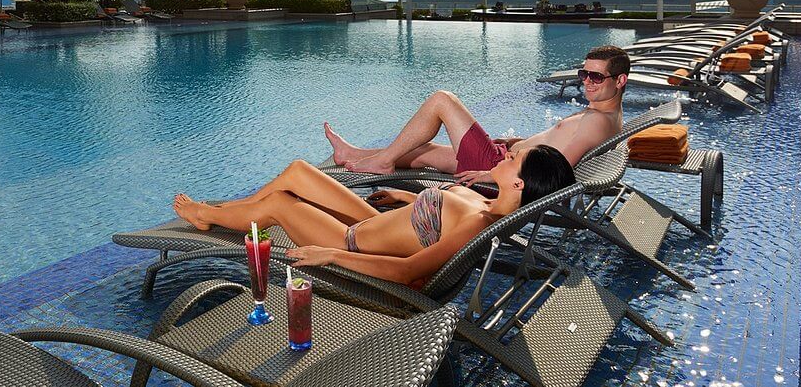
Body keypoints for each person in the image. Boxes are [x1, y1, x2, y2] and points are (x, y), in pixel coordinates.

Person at [172, 148, 574, 286]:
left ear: (519, 186)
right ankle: (229, 211)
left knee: (279, 202)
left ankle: (208, 215)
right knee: (298, 170)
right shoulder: (487, 204)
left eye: (514, 159)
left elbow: (409, 274)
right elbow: (431, 220)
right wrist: (405, 195)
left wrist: (331, 257)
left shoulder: (479, 224)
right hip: (373, 224)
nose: (506, 154)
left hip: (351, 242)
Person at [325, 45, 630, 180]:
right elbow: (554, 147)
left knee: (442, 100)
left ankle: (383, 162)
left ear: (620, 80)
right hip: (504, 158)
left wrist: (491, 174)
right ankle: (355, 153)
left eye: (596, 77)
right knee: (427, 150)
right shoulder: (606, 116)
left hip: (501, 170)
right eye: (584, 74)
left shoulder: (596, 122)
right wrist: (515, 145)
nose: (587, 82)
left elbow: (557, 170)